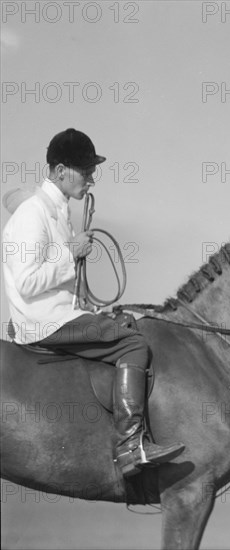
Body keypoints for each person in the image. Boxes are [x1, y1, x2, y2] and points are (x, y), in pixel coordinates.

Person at [2, 128, 185, 478]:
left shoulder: (57, 212)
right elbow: (26, 282)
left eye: (91, 171)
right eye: (86, 171)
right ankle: (130, 446)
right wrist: (71, 253)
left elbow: (56, 282)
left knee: (128, 324)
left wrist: (88, 307)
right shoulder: (32, 213)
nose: (91, 179)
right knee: (133, 344)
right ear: (59, 172)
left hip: (57, 314)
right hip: (43, 322)